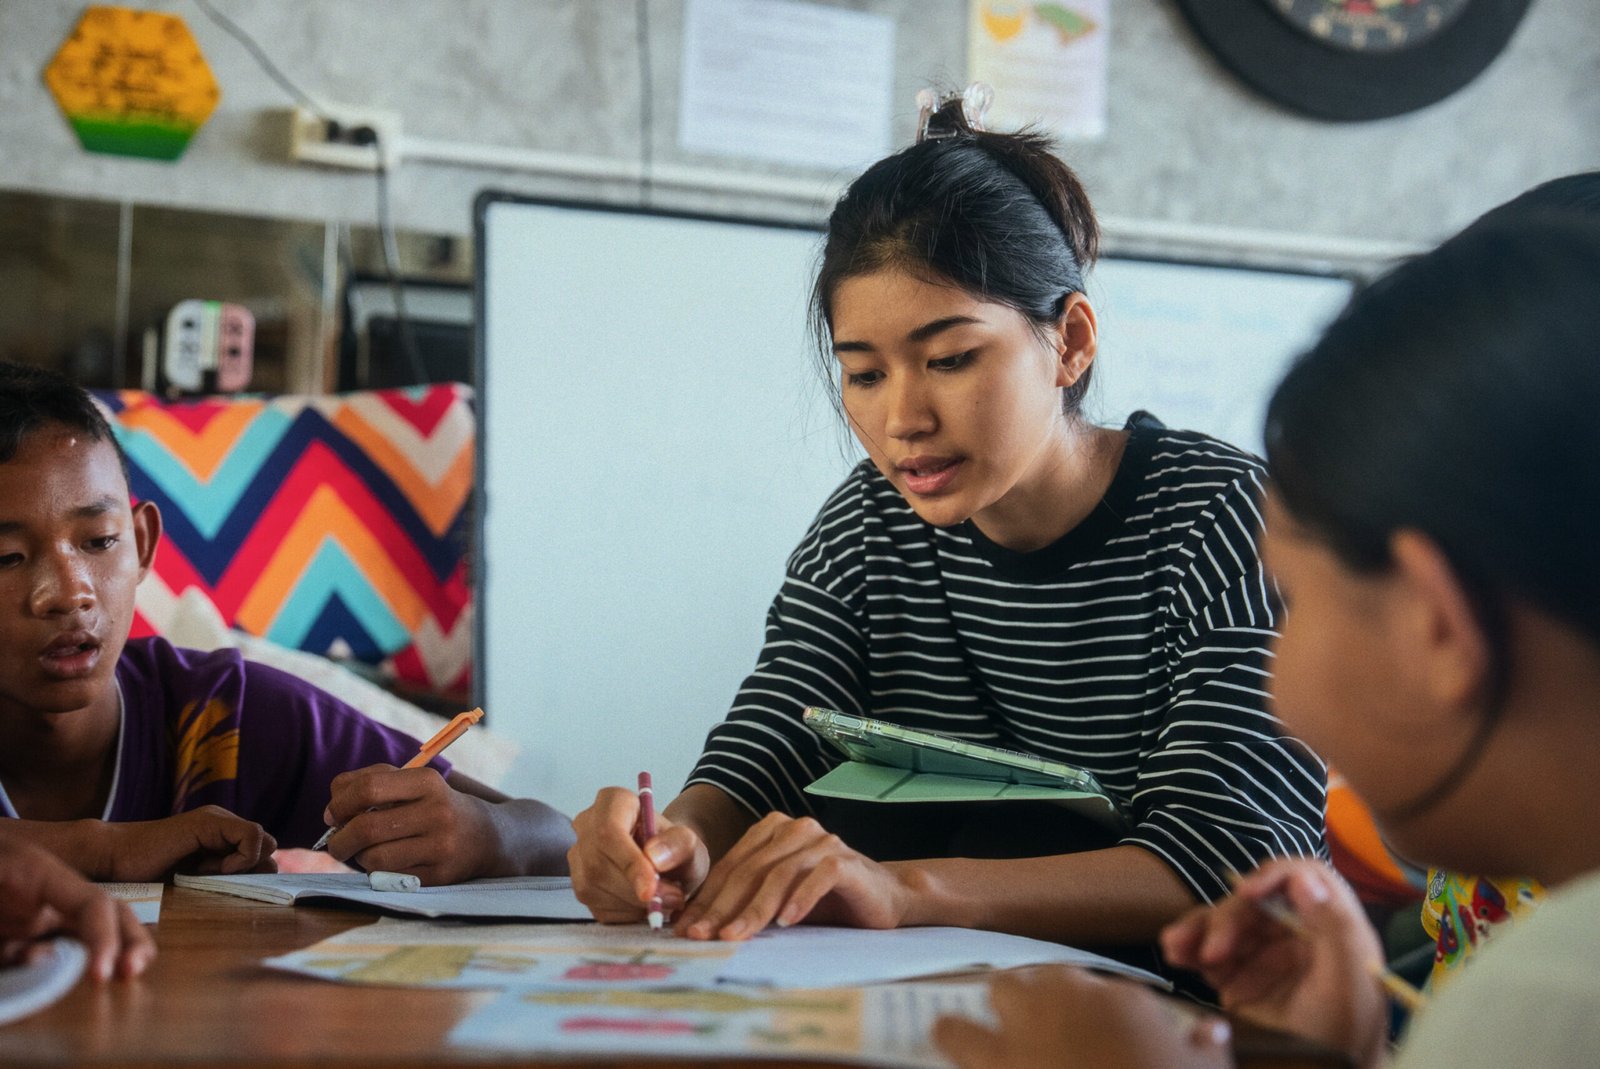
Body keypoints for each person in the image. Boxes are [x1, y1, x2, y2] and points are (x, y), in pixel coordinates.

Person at [567, 89, 1325, 950]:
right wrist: (679, 846)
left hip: (1173, 1015)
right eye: (864, 373)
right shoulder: (868, 524)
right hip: (937, 997)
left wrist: (905, 890)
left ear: (1070, 340)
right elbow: (772, 736)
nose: (903, 419)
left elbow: (1232, 856)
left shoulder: (1222, 522)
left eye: (951, 358)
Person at [932, 213, 1600, 1068]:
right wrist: (1346, 1053)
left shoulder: (1549, 999)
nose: (1275, 678)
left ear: (1435, 626)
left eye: (1293, 596)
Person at [0, 361, 574, 884]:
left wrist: (488, 836)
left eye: (100, 541)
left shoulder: (219, 718)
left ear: (143, 543)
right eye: (7, 557)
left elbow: (557, 838)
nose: (69, 593)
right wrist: (104, 852)